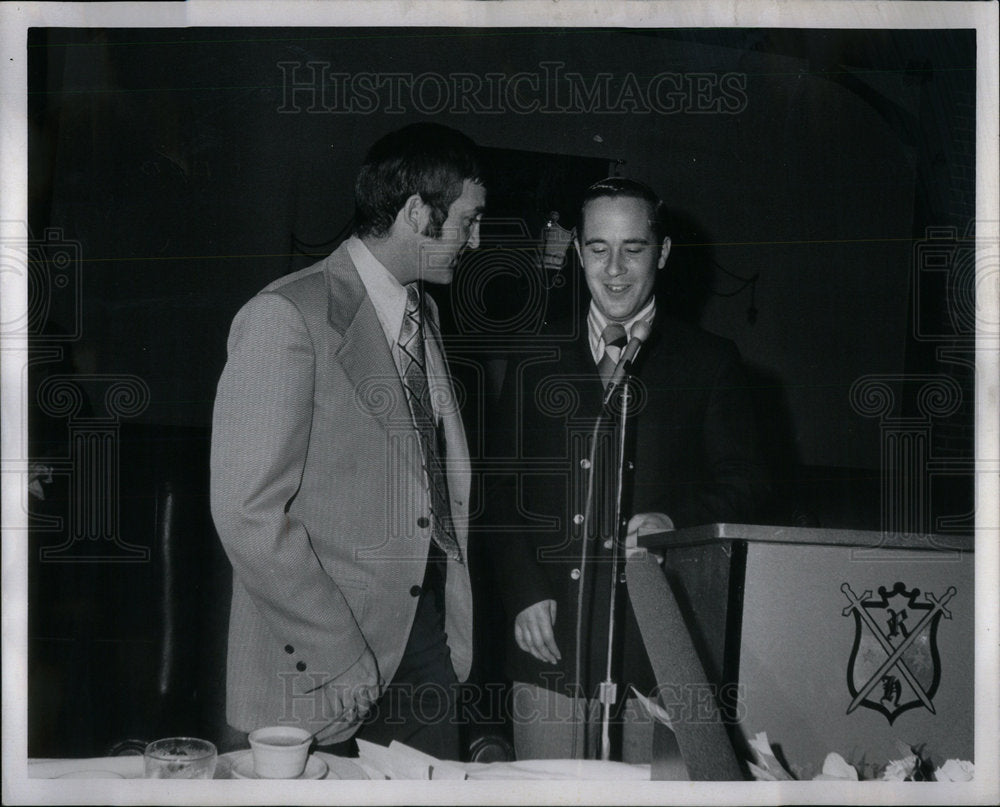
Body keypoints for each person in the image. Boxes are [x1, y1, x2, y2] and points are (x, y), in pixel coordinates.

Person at [210, 123, 486, 760]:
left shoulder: (425, 312)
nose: (476, 239)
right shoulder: (286, 316)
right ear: (419, 213)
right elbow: (247, 515)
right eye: (468, 221)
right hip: (317, 661)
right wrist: (340, 654)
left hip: (424, 646)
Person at [487, 177, 769, 762]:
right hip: (548, 648)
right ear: (578, 250)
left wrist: (674, 520)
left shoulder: (710, 362)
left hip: (657, 651)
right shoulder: (534, 359)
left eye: (633, 249)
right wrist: (521, 592)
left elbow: (750, 486)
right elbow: (494, 491)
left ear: (661, 253)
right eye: (597, 248)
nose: (614, 268)